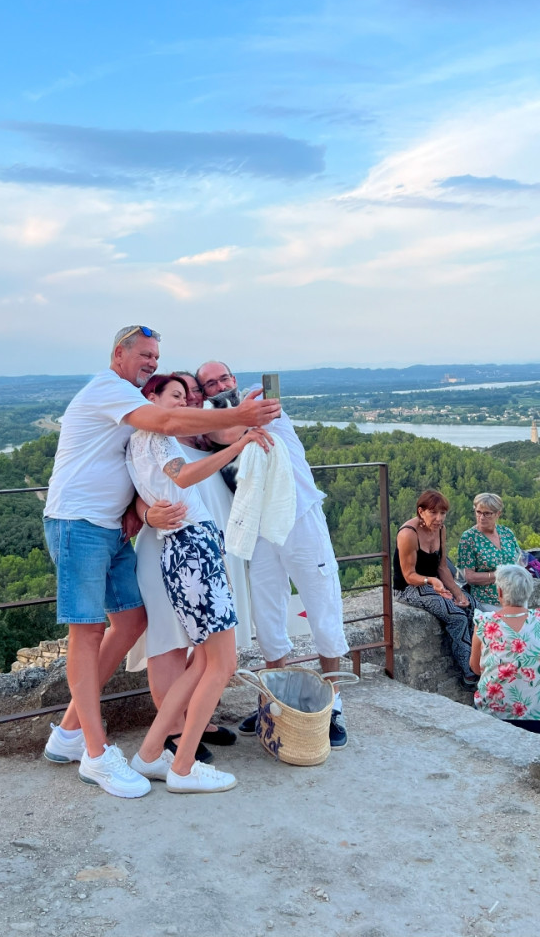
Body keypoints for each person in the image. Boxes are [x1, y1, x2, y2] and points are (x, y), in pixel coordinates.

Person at [41, 325, 281, 799]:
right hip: (79, 523)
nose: (152, 360)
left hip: (110, 528)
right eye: (145, 355)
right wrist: (242, 416)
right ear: (118, 354)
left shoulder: (132, 414)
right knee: (87, 632)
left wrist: (139, 511)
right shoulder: (112, 390)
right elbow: (169, 439)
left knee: (131, 624)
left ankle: (71, 732)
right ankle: (95, 752)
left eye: (156, 355)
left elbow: (144, 471)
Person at [125, 373, 270, 792]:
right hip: (192, 548)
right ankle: (183, 767)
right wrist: (241, 444)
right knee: (221, 663)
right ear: (150, 398)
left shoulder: (140, 440)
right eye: (173, 397)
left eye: (185, 398)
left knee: (206, 661)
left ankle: (150, 753)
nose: (182, 404)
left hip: (186, 547)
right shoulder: (156, 436)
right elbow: (185, 477)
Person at [196, 361, 350, 749]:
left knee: (323, 611)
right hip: (260, 527)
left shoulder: (259, 399)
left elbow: (227, 430)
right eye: (209, 383)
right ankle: (274, 703)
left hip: (301, 518)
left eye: (223, 378)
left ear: (234, 378)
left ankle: (333, 709)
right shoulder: (213, 420)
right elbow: (219, 432)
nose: (219, 385)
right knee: (267, 617)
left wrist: (229, 418)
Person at [393, 490, 477, 689]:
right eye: (433, 513)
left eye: (443, 513)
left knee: (470, 606)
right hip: (410, 588)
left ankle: (478, 660)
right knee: (456, 615)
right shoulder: (408, 534)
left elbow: (442, 566)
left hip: (434, 581)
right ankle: (469, 673)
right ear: (421, 512)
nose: (439, 518)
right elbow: (408, 575)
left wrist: (457, 593)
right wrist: (431, 582)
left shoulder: (440, 529)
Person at [469, 564, 540, 739]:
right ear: (528, 592)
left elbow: (475, 668)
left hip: (494, 716)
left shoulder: (484, 622)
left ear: (501, 592)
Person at [457, 493, 522, 610]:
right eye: (478, 512)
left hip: (515, 596)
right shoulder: (469, 538)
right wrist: (500, 575)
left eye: (487, 513)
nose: (481, 517)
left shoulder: (507, 533)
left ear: (498, 514)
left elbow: (520, 560)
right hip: (488, 601)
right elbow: (469, 577)